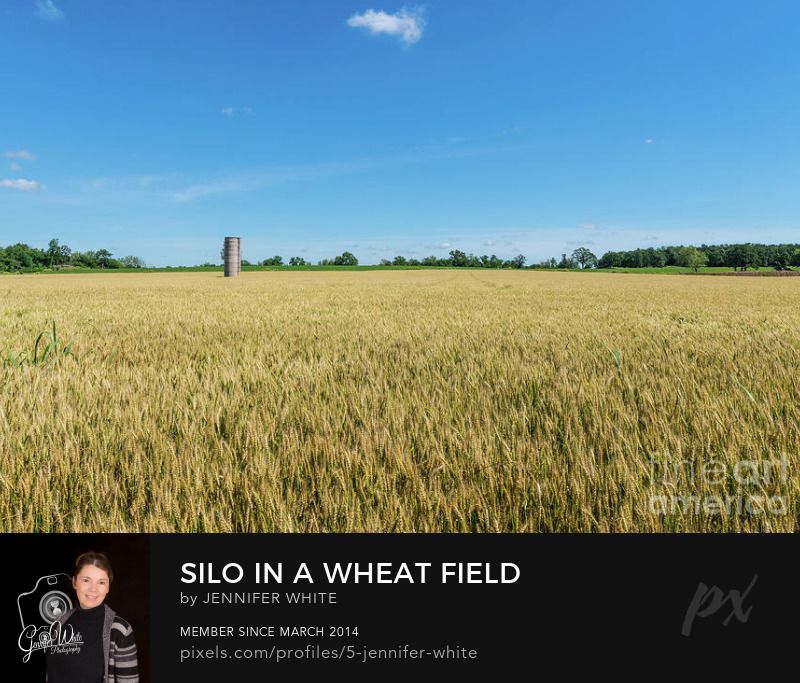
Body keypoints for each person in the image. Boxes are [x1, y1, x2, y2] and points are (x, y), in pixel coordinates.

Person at [46, 552, 139, 683]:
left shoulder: (120, 630)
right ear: (74, 582)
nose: (93, 589)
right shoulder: (61, 621)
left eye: (101, 582)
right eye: (86, 580)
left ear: (108, 587)